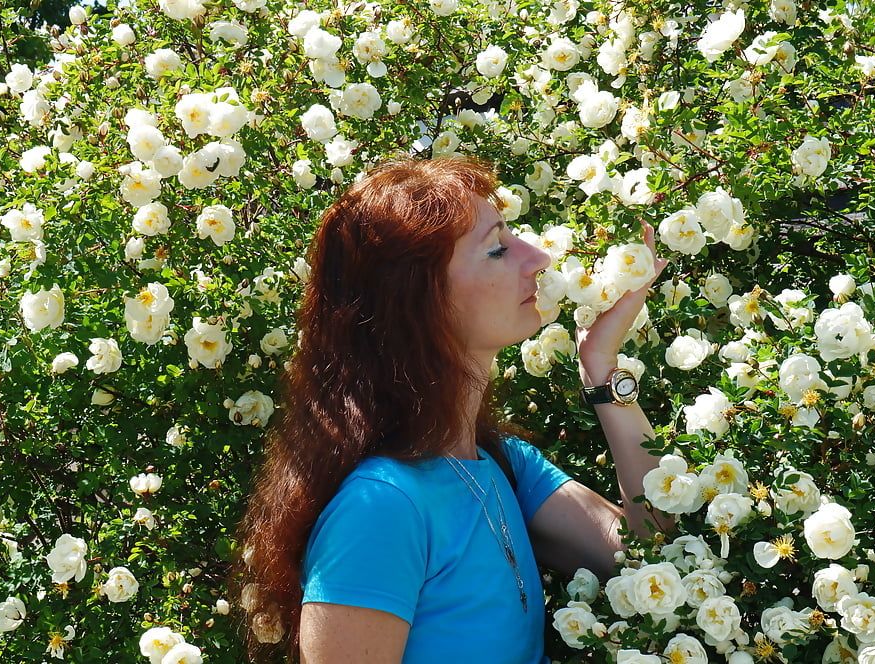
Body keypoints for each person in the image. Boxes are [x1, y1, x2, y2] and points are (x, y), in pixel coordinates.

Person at [238, 155, 672, 662]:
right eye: (498, 250)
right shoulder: (380, 510)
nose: (538, 259)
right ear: (421, 300)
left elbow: (660, 552)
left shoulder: (500, 464)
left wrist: (601, 368)